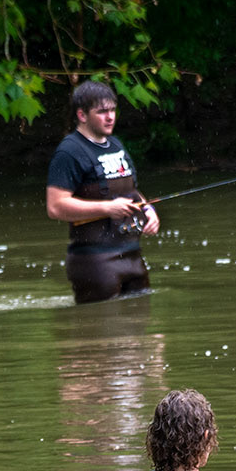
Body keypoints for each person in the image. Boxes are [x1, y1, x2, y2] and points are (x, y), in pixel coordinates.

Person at [45, 79, 160, 304]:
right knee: (101, 332)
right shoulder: (69, 152)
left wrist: (148, 210)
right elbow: (55, 206)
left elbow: (130, 190)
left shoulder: (116, 145)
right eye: (102, 111)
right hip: (94, 261)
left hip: (132, 255)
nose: (110, 117)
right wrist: (106, 208)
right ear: (82, 115)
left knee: (141, 329)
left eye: (113, 110)